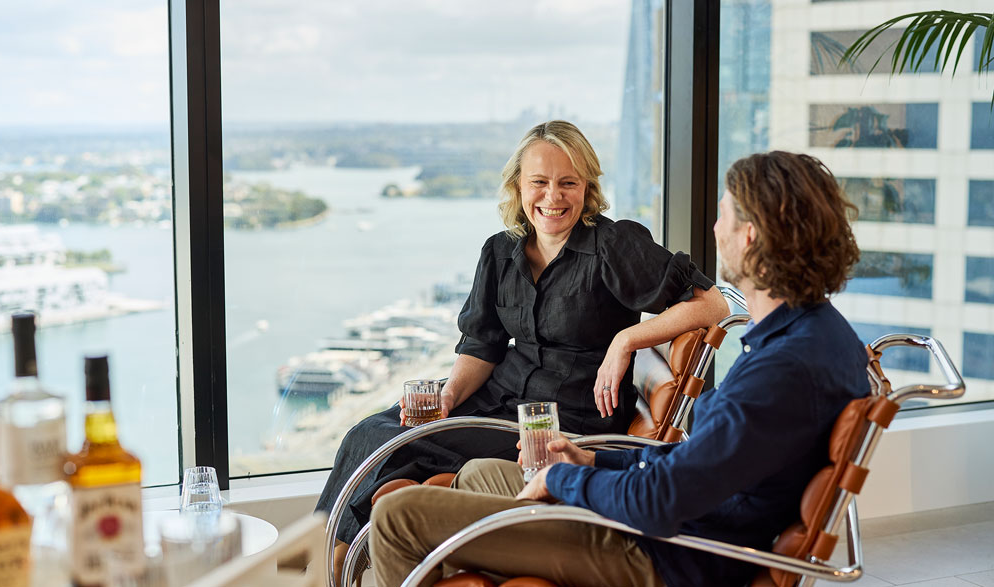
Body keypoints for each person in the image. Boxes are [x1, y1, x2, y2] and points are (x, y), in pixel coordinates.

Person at [369, 150, 868, 587]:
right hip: (665, 529)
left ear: (750, 236)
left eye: (722, 217)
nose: (716, 230)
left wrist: (565, 482)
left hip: (658, 554)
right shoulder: (818, 336)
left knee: (396, 515)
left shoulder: (780, 372)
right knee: (480, 474)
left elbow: (663, 499)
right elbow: (693, 467)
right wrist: (589, 463)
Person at [315, 120, 729, 558]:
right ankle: (322, 559)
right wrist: (450, 395)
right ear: (518, 186)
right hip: (497, 400)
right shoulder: (500, 251)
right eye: (540, 182)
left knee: (399, 445)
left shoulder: (614, 245)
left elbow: (712, 304)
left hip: (562, 421)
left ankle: (331, 564)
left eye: (568, 183)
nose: (553, 197)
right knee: (370, 431)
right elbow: (481, 346)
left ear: (587, 187)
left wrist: (625, 339)